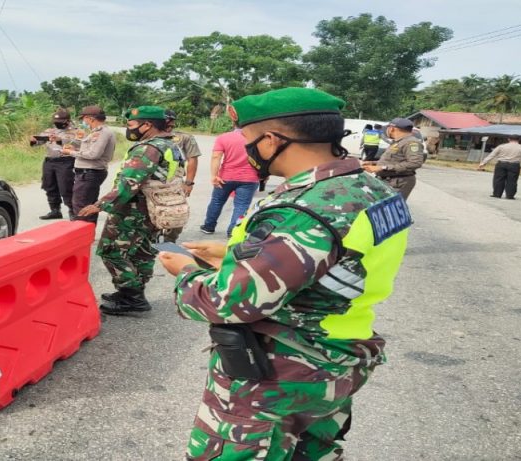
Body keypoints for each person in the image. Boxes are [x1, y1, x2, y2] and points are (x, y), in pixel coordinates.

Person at [158, 87, 411, 460]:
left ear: (272, 139)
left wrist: (185, 274)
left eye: (247, 139)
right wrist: (233, 253)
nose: (246, 150)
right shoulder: (371, 190)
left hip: (282, 371)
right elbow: (339, 256)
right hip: (339, 359)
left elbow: (227, 302)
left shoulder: (305, 207)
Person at [77, 105, 184, 314]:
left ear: (147, 125)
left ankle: (132, 296)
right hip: (157, 209)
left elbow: (129, 183)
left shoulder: (148, 148)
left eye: (131, 124)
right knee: (142, 252)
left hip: (133, 210)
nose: (129, 129)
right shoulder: (170, 145)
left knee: (111, 250)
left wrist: (99, 205)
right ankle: (134, 292)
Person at [200, 104, 259, 237]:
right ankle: (233, 231)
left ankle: (209, 226)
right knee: (242, 205)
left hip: (225, 176)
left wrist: (213, 176)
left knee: (217, 201)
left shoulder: (224, 137)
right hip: (250, 178)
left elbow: (216, 157)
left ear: (233, 121)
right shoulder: (256, 139)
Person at [64, 105, 115, 224]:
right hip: (88, 173)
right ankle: (87, 235)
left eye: (84, 119)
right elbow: (89, 149)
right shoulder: (95, 132)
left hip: (90, 172)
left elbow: (93, 154)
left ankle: (81, 236)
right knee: (87, 205)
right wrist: (74, 148)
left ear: (90, 118)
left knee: (81, 206)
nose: (84, 121)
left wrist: (70, 152)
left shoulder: (102, 133)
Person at [160, 109, 202, 243]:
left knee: (177, 215)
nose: (168, 125)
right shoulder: (148, 135)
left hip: (174, 182)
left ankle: (169, 240)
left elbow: (192, 159)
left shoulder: (184, 137)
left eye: (171, 123)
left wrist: (189, 182)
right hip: (151, 182)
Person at [30, 109, 81, 220]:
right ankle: (55, 210)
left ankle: (73, 210)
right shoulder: (49, 130)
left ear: (67, 121)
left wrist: (60, 140)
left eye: (61, 121)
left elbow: (79, 144)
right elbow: (39, 142)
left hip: (66, 161)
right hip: (49, 161)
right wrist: (34, 140)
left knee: (66, 187)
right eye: (56, 121)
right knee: (49, 185)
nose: (57, 123)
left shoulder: (76, 132)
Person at [364, 117, 424, 200]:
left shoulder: (411, 143)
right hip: (388, 180)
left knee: (389, 209)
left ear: (392, 129)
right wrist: (372, 163)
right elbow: (393, 159)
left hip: (399, 182)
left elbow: (415, 163)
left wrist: (382, 167)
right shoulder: (398, 142)